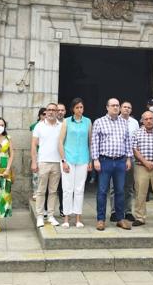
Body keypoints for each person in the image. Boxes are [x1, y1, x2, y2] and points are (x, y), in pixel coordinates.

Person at [91, 98, 133, 231]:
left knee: (120, 191)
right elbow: (94, 142)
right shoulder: (99, 122)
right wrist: (95, 159)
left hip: (120, 161)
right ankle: (100, 220)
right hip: (105, 161)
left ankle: (120, 219)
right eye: (113, 105)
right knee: (102, 191)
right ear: (107, 107)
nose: (115, 107)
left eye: (117, 105)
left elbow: (127, 141)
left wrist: (128, 158)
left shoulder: (123, 122)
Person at [59, 98, 92, 228]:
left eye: (81, 107)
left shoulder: (88, 122)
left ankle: (78, 218)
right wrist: (63, 161)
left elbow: (90, 142)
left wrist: (90, 160)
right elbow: (60, 141)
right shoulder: (66, 122)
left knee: (79, 189)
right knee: (67, 189)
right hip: (69, 159)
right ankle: (66, 218)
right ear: (73, 109)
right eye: (77, 107)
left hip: (83, 159)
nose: (79, 110)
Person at [31, 103, 63, 228]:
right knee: (41, 191)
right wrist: (34, 161)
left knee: (53, 191)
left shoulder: (61, 126)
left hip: (57, 162)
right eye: (48, 110)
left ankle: (50, 215)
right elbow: (33, 145)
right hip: (43, 162)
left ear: (57, 112)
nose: (50, 112)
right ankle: (40, 216)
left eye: (53, 110)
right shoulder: (39, 126)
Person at [109, 101, 140, 222]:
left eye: (129, 107)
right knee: (114, 186)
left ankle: (127, 211)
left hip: (130, 158)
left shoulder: (134, 123)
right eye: (125, 107)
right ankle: (114, 211)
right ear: (120, 109)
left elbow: (136, 140)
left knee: (128, 186)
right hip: (116, 157)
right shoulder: (114, 121)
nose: (127, 109)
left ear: (131, 110)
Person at [29, 107, 46, 200]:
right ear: (39, 115)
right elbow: (35, 141)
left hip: (47, 153)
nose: (45, 116)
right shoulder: (35, 126)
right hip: (38, 152)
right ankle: (35, 192)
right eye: (43, 114)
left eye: (46, 114)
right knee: (36, 174)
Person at [55, 103, 66, 217]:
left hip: (65, 158)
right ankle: (47, 210)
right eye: (58, 110)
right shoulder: (51, 124)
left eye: (62, 110)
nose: (60, 112)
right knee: (51, 186)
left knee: (64, 186)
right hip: (53, 158)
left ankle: (63, 209)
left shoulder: (68, 123)